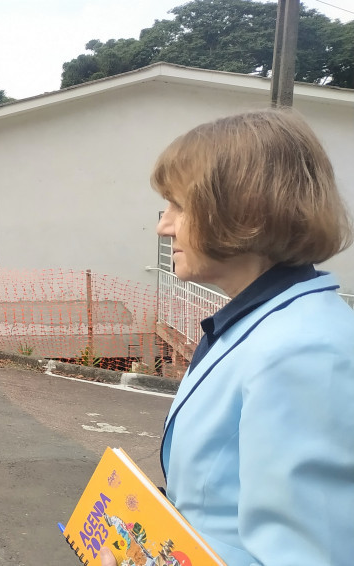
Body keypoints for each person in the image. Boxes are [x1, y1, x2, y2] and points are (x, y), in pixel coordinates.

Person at [102, 109, 354, 566]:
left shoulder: (303, 349)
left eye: (179, 205)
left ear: (244, 210)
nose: (164, 225)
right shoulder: (265, 321)